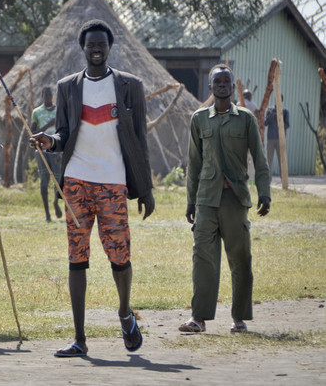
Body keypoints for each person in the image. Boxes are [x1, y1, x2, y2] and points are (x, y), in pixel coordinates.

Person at [31, 20, 154, 357]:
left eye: (102, 44)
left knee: (120, 256)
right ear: (82, 49)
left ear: (109, 47)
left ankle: (125, 313)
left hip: (113, 181)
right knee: (77, 258)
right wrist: (49, 142)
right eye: (91, 45)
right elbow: (64, 133)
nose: (96, 49)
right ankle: (79, 339)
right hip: (76, 181)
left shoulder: (129, 85)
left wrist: (145, 189)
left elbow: (140, 139)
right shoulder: (68, 86)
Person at [179, 64, 271, 334]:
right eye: (216, 81)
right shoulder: (199, 119)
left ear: (232, 87)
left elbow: (260, 159)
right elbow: (194, 164)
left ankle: (239, 319)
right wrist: (190, 201)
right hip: (207, 199)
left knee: (240, 258)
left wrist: (264, 191)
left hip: (235, 198)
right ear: (210, 87)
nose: (221, 85)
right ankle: (198, 318)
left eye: (226, 82)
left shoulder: (245, 119)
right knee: (203, 257)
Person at [30, 87, 62, 222]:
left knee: (58, 180)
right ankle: (47, 214)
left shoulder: (59, 111)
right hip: (42, 151)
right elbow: (33, 132)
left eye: (50, 95)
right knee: (44, 181)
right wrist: (48, 125)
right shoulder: (36, 112)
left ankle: (55, 202)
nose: (48, 97)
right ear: (42, 95)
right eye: (45, 95)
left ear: (52, 96)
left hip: (56, 150)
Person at [264, 99, 290, 174]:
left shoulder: (285, 111)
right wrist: (268, 116)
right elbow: (265, 123)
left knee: (281, 160)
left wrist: (279, 120)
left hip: (280, 139)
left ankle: (283, 180)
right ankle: (268, 181)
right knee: (269, 160)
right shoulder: (270, 110)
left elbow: (287, 125)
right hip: (270, 139)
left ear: (281, 100)